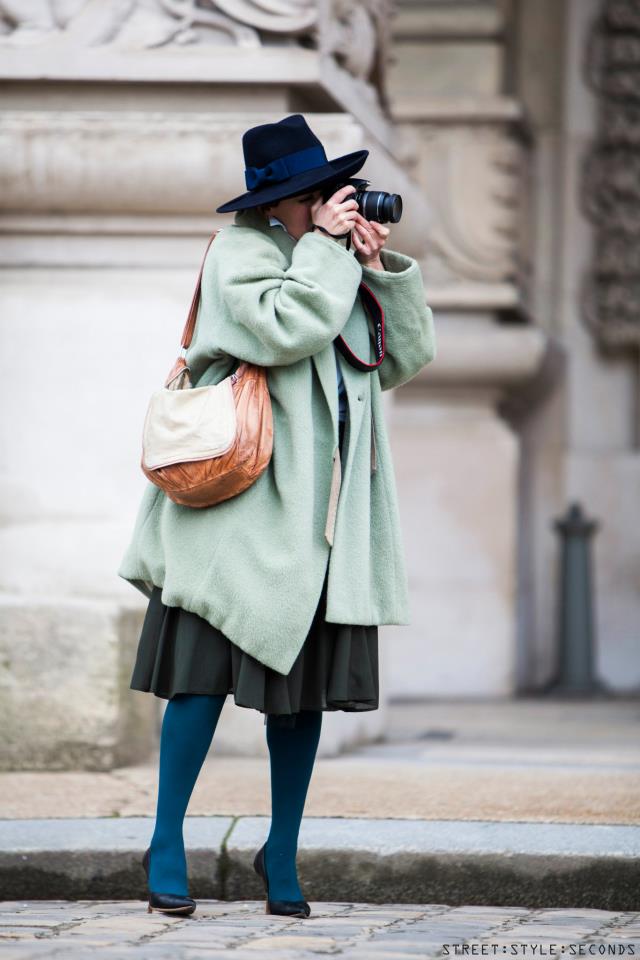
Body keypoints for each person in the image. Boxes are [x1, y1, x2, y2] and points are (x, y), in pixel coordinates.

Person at [117, 113, 436, 919]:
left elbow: (402, 358)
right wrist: (327, 253)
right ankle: (165, 843)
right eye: (324, 194)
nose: (338, 202)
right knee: (197, 688)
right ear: (287, 200)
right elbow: (285, 329)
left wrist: (378, 265)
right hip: (239, 515)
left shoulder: (329, 258)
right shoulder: (242, 253)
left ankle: (282, 853)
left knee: (302, 699)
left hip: (322, 520)